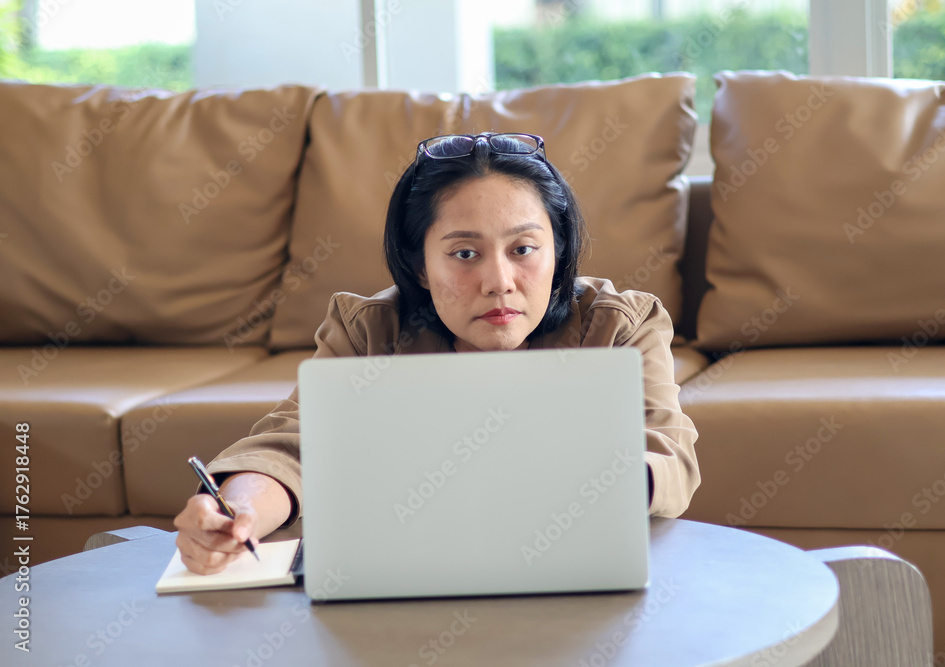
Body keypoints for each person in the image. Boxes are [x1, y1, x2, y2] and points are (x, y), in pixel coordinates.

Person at [174, 132, 700, 574]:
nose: (499, 282)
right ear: (421, 266)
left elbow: (669, 457)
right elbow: (293, 445)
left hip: (576, 571)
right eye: (464, 254)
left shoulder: (618, 325)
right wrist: (240, 509)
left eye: (524, 249)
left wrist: (588, 475)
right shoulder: (370, 332)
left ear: (558, 251)